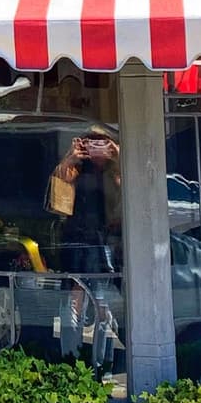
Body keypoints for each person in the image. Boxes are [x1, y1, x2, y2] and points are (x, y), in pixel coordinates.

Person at [47, 125, 122, 363]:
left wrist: (119, 157)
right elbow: (57, 201)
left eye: (103, 141)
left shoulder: (115, 171)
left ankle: (102, 364)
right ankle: (71, 360)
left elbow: (131, 195)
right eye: (93, 141)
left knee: (103, 305)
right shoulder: (75, 168)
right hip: (76, 240)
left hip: (105, 242)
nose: (97, 146)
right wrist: (70, 158)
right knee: (73, 302)